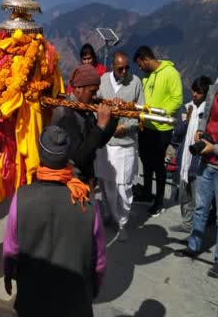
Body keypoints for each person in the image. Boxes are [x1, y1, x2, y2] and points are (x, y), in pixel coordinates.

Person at [3, 126, 107, 317]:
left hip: (31, 307)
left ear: (40, 156)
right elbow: (99, 262)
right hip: (75, 309)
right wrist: (91, 291)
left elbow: (10, 251)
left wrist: (9, 276)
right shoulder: (86, 201)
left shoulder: (22, 197)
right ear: (67, 158)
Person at [176, 56, 218, 279]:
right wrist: (200, 131)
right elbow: (205, 116)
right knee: (200, 207)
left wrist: (214, 149)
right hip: (206, 162)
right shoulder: (213, 91)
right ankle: (194, 245)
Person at [95, 51, 144, 242]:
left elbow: (141, 112)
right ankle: (109, 215)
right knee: (106, 184)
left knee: (123, 187)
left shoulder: (135, 83)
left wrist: (127, 127)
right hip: (105, 144)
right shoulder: (103, 80)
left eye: (126, 68)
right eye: (119, 68)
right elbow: (95, 105)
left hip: (125, 145)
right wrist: (101, 127)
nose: (124, 72)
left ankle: (122, 222)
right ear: (112, 67)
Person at [133, 46, 183, 217]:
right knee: (146, 161)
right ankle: (147, 192)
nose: (139, 68)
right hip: (146, 127)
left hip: (161, 129)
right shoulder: (146, 77)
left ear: (146, 59)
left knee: (157, 164)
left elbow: (177, 99)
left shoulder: (171, 73)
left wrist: (160, 113)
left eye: (140, 64)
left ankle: (159, 201)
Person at [52, 64, 118, 185]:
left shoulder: (85, 109)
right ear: (78, 88)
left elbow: (98, 142)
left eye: (96, 91)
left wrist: (113, 119)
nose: (94, 96)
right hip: (71, 182)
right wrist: (100, 125)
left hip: (85, 178)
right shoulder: (66, 114)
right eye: (92, 91)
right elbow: (79, 158)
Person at [170, 76, 212, 233]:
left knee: (198, 200)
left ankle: (197, 230)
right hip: (184, 161)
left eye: (199, 92)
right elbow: (176, 134)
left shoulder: (207, 115)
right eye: (193, 91)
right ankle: (187, 224)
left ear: (206, 94)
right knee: (184, 196)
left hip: (198, 163)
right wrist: (186, 120)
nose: (194, 94)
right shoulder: (188, 109)